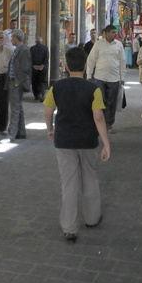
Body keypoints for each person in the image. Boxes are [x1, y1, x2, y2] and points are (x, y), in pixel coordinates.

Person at [43, 47, 110, 243]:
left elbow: (48, 112)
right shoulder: (93, 89)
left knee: (68, 183)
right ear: (85, 64)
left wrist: (50, 129)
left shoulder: (57, 87)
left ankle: (69, 228)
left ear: (67, 64)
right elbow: (98, 117)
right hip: (87, 141)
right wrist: (106, 143)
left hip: (64, 141)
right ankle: (92, 218)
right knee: (90, 179)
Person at [86, 25, 126, 134]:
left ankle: (109, 125)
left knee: (111, 103)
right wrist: (89, 75)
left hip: (114, 78)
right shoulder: (99, 44)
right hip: (99, 77)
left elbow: (122, 62)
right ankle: (98, 124)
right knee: (99, 101)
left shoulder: (119, 45)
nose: (114, 34)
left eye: (115, 32)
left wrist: (122, 77)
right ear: (106, 33)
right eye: (112, 32)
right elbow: (91, 60)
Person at [2, 29, 32, 143]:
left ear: (16, 38)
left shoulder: (24, 50)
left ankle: (11, 135)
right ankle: (21, 131)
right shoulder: (17, 49)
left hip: (16, 82)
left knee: (14, 109)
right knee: (18, 108)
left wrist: (18, 81)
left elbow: (25, 67)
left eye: (12, 37)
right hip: (13, 81)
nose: (11, 39)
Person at [30, 36, 49, 102]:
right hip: (43, 68)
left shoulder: (32, 48)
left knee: (34, 82)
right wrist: (42, 65)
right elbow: (46, 57)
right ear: (41, 41)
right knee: (42, 81)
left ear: (35, 42)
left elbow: (30, 58)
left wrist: (34, 65)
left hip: (34, 68)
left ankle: (36, 95)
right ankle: (42, 94)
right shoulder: (45, 48)